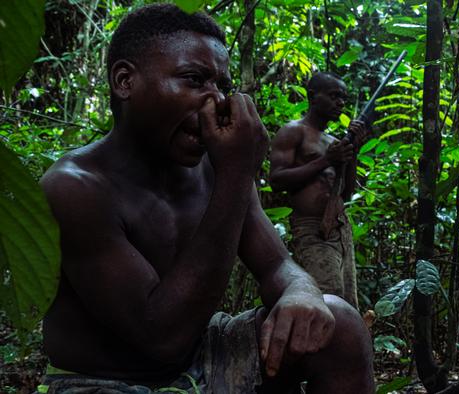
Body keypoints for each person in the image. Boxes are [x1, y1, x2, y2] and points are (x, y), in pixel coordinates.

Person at [37, 4, 374, 393]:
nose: (217, 102)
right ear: (125, 80)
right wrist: (236, 173)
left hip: (204, 355)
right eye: (194, 79)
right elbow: (159, 337)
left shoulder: (217, 168)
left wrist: (302, 291)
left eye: (223, 87)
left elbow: (277, 265)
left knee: (339, 324)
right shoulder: (74, 187)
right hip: (104, 380)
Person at [269, 73, 369, 309]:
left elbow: (346, 194)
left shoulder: (333, 140)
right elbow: (277, 180)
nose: (341, 103)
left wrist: (352, 153)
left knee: (346, 302)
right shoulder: (294, 132)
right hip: (311, 228)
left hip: (338, 227)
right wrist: (325, 161)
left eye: (344, 98)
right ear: (313, 97)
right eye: (334, 96)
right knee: (326, 300)